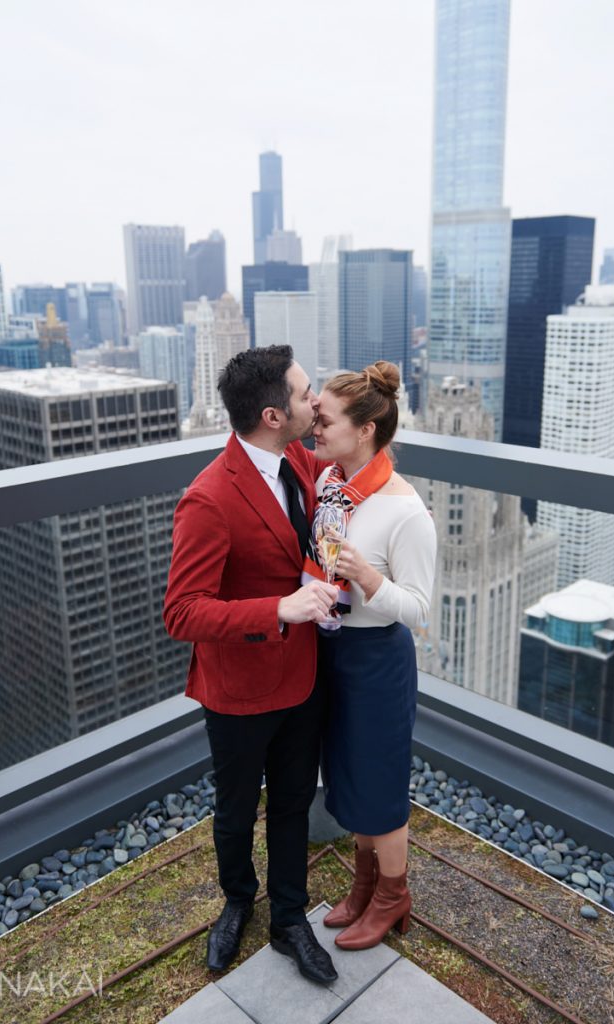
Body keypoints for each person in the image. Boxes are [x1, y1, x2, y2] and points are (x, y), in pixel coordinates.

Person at [163, 345, 339, 984]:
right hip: (238, 690)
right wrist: (279, 609)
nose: (313, 400)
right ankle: (238, 901)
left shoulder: (293, 456)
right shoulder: (208, 498)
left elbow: (342, 478)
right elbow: (181, 612)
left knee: (293, 802)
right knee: (236, 810)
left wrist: (399, 512)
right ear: (272, 414)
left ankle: (290, 917)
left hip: (302, 679)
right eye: (303, 392)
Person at [307, 360, 437, 950]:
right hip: (334, 650)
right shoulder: (333, 485)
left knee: (381, 786)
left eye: (324, 419)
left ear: (364, 430)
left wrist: (368, 580)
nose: (315, 426)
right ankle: (364, 887)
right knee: (349, 775)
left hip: (379, 661)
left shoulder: (405, 510)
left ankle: (393, 897)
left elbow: (419, 611)